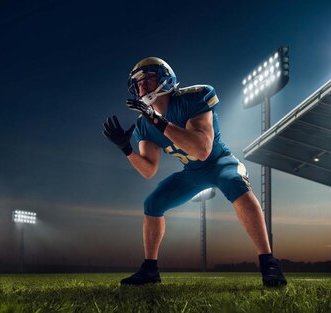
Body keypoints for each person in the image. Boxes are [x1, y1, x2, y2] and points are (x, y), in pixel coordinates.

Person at [103, 57, 287, 287]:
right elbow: (149, 169)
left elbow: (202, 149)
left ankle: (268, 262)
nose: (142, 86)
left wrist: (158, 121)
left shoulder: (194, 97)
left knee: (235, 184)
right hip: (193, 172)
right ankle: (150, 270)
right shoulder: (144, 124)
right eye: (137, 83)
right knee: (153, 203)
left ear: (165, 77)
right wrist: (126, 148)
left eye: (147, 78)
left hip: (219, 162)